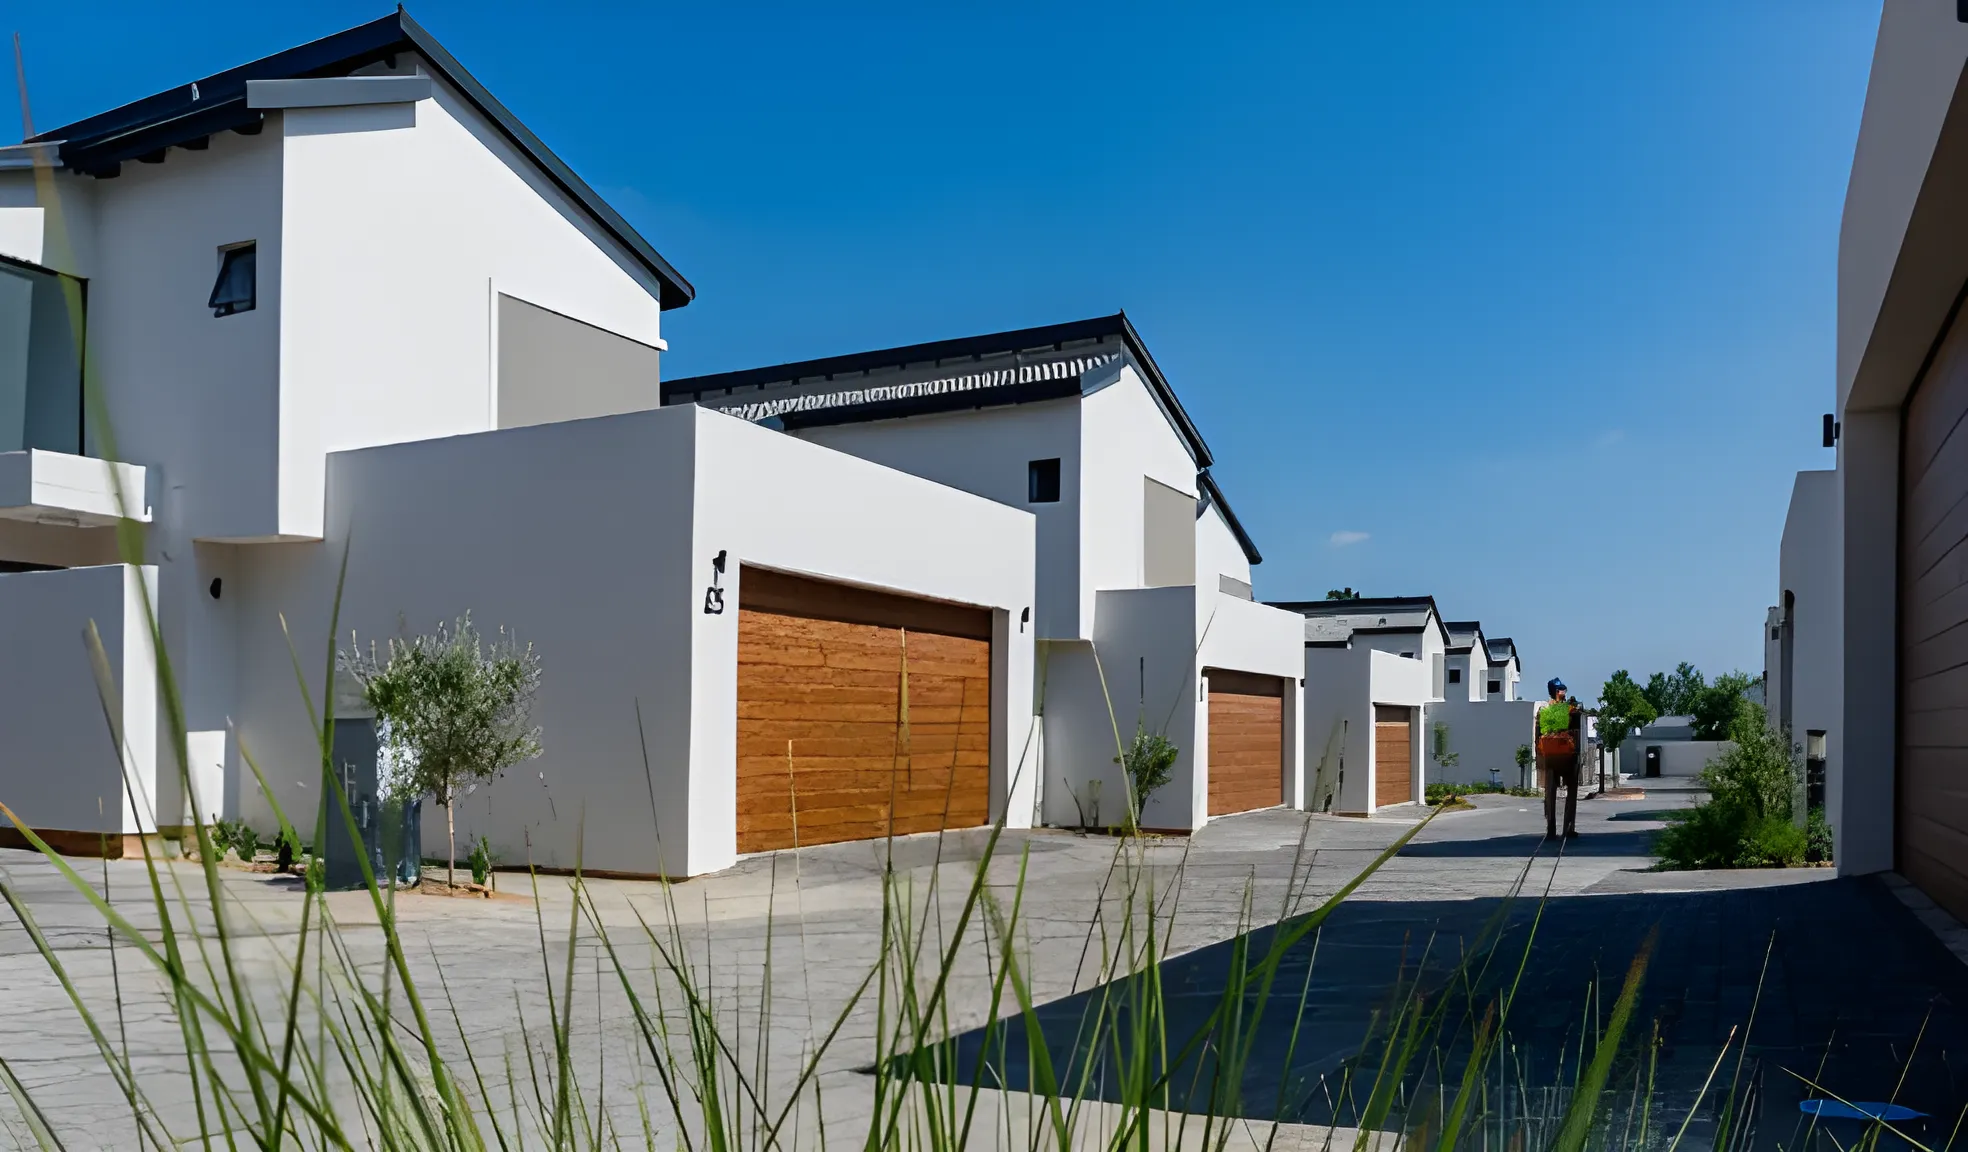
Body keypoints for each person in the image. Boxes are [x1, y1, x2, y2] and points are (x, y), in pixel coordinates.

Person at [1537, 678, 1584, 839]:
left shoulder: (1544, 709)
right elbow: (1577, 732)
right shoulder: (1571, 709)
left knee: (1550, 795)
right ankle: (1568, 828)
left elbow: (1538, 736)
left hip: (1550, 758)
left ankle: (1551, 830)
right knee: (1571, 794)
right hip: (1569, 757)